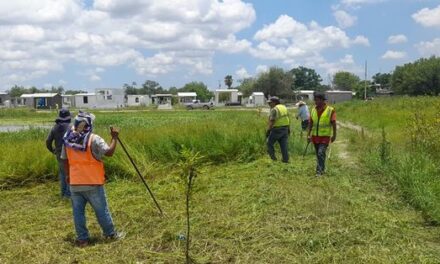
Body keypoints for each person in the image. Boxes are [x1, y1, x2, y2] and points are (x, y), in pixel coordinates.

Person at [61, 111, 124, 247]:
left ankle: (82, 239)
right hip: (93, 183)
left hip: (75, 183)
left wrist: (68, 176)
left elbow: (64, 160)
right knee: (101, 210)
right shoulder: (93, 139)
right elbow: (109, 152)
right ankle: (110, 234)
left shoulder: (67, 138)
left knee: (78, 213)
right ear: (89, 124)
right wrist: (114, 138)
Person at [307, 92, 336, 177]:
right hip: (315, 137)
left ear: (323, 100)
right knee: (318, 154)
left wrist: (334, 135)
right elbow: (310, 123)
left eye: (317, 100)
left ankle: (319, 171)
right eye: (315, 100)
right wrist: (308, 135)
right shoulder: (313, 110)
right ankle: (321, 169)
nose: (315, 102)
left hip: (325, 137)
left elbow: (334, 123)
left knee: (320, 153)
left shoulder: (330, 110)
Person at [46, 108, 72, 198]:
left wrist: (53, 150)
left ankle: (63, 193)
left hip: (59, 153)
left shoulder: (55, 127)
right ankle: (68, 195)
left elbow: (48, 141)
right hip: (69, 154)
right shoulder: (71, 127)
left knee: (62, 173)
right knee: (70, 173)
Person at [266, 96, 290, 163]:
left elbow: (272, 121)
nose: (269, 104)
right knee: (283, 145)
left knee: (269, 143)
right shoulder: (284, 107)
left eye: (270, 103)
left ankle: (273, 159)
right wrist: (289, 128)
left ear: (274, 102)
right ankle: (285, 160)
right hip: (285, 128)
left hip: (277, 129)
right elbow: (287, 118)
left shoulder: (274, 109)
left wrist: (268, 130)